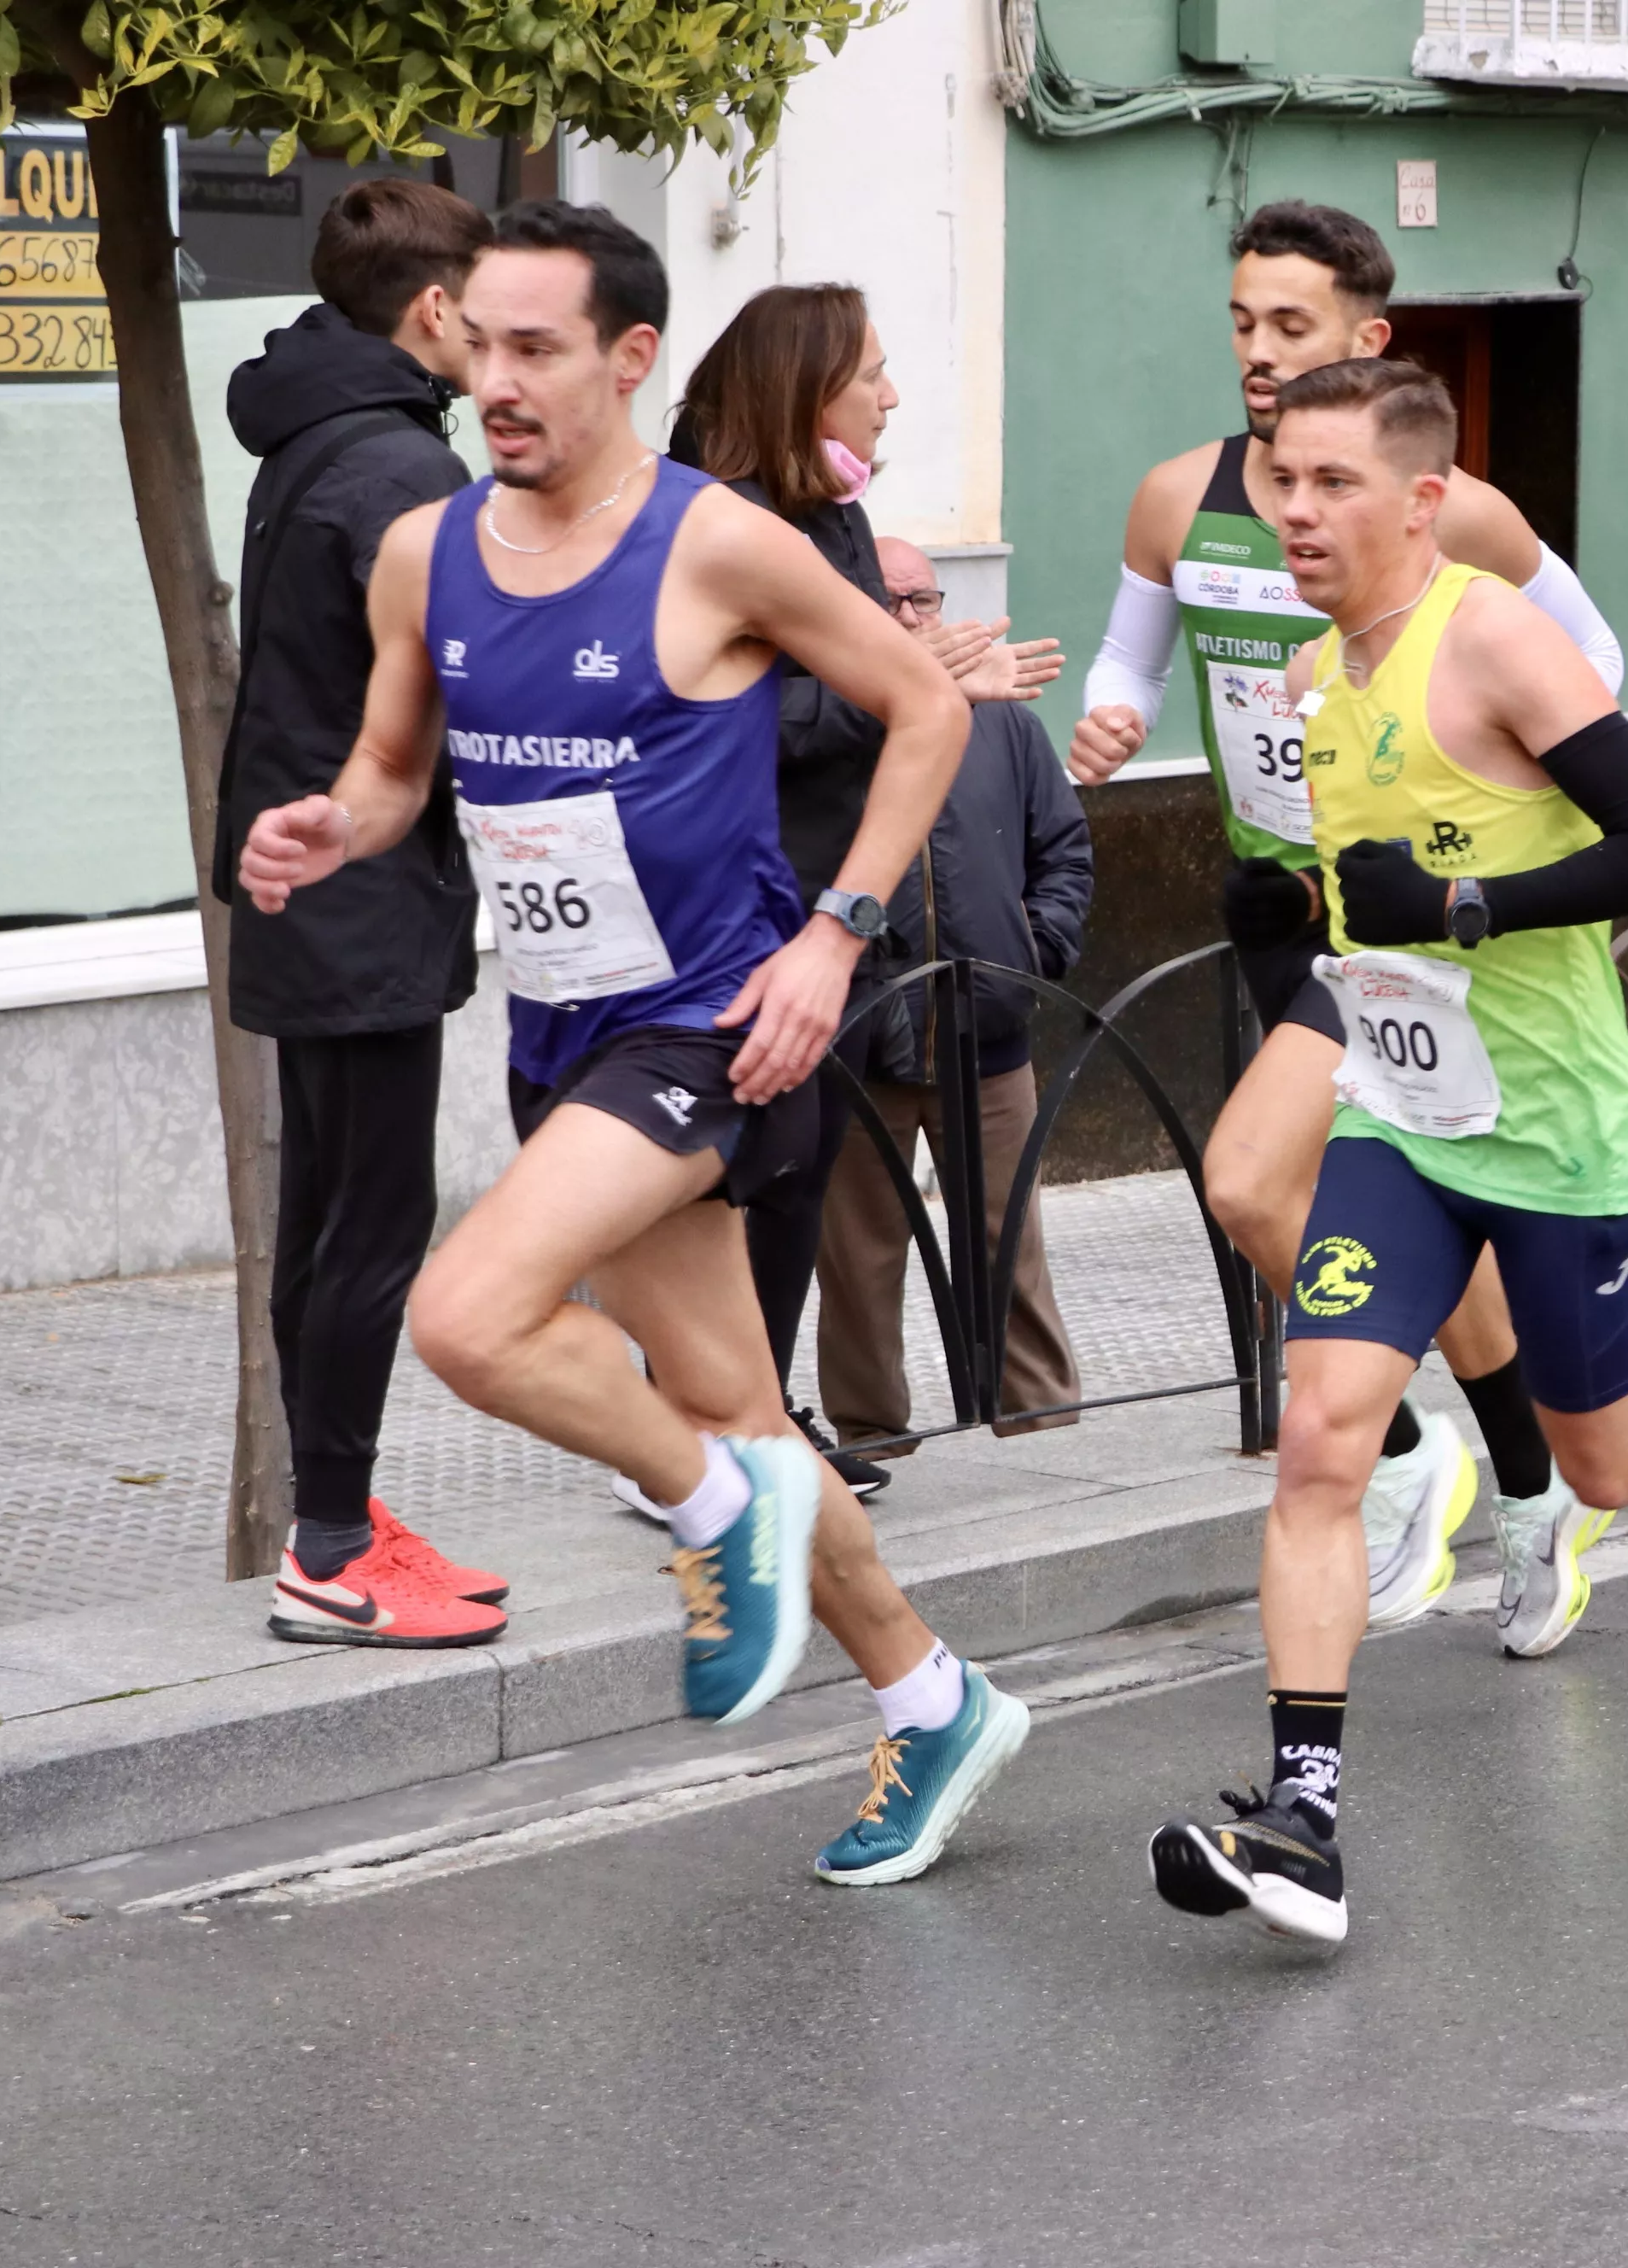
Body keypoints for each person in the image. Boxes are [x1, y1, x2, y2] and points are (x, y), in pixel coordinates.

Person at [236, 202, 1022, 1890]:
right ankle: (933, 1693)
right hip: (563, 1026)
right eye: (480, 345)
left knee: (468, 1314)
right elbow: (394, 767)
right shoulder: (423, 552)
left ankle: (710, 1515)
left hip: (713, 1029)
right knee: (746, 1407)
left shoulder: (715, 543)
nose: (497, 381)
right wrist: (334, 827)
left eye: (538, 350)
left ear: (629, 358)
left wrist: (839, 930)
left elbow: (930, 705)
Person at [1143, 359, 1628, 1946]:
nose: (1293, 511)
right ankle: (1303, 1816)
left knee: (1605, 1455)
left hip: (1561, 1133)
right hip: (1401, 1121)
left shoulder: (1487, 635)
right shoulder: (1313, 675)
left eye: (1332, 483)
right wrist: (1319, 931)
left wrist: (1465, 908)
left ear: (1420, 502)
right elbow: (1371, 893)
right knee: (1322, 1437)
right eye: (1281, 480)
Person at [1067, 201, 1628, 1645]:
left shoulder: (1457, 509)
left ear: (1366, 341)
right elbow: (1125, 669)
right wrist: (1105, 721)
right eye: (1242, 324)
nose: (1259, 353)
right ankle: (1511, 1483)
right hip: (1277, 895)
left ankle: (1418, 1456)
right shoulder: (1174, 497)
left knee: (1256, 1184)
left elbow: (1595, 664)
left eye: (1292, 328)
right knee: (1409, 1224)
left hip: (1408, 919)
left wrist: (1491, 812)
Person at [665, 283, 1061, 1502]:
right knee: (733, 1180)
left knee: (793, 1174)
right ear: (803, 384)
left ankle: (759, 1416)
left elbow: (856, 696)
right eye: (873, 373)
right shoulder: (713, 522)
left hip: (837, 925)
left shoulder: (835, 512)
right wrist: (905, 681)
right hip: (739, 910)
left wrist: (931, 689)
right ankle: (705, 1424)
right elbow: (736, 715)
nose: (893, 397)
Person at [214, 178, 511, 1649]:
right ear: (435, 307)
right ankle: (331, 1545)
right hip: (354, 883)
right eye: (493, 308)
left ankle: (331, 1515)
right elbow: (454, 690)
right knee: (370, 1219)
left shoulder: (319, 434)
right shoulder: (396, 469)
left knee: (331, 1212)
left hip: (307, 881)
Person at [813, 540, 1091, 1444]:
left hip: (988, 1028)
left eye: (921, 601)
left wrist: (1029, 952)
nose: (908, 619)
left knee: (1011, 1246)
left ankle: (1039, 1421)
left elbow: (1064, 851)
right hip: (861, 1037)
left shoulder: (1003, 720)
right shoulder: (831, 721)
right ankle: (869, 1435)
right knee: (857, 1259)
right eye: (884, 601)